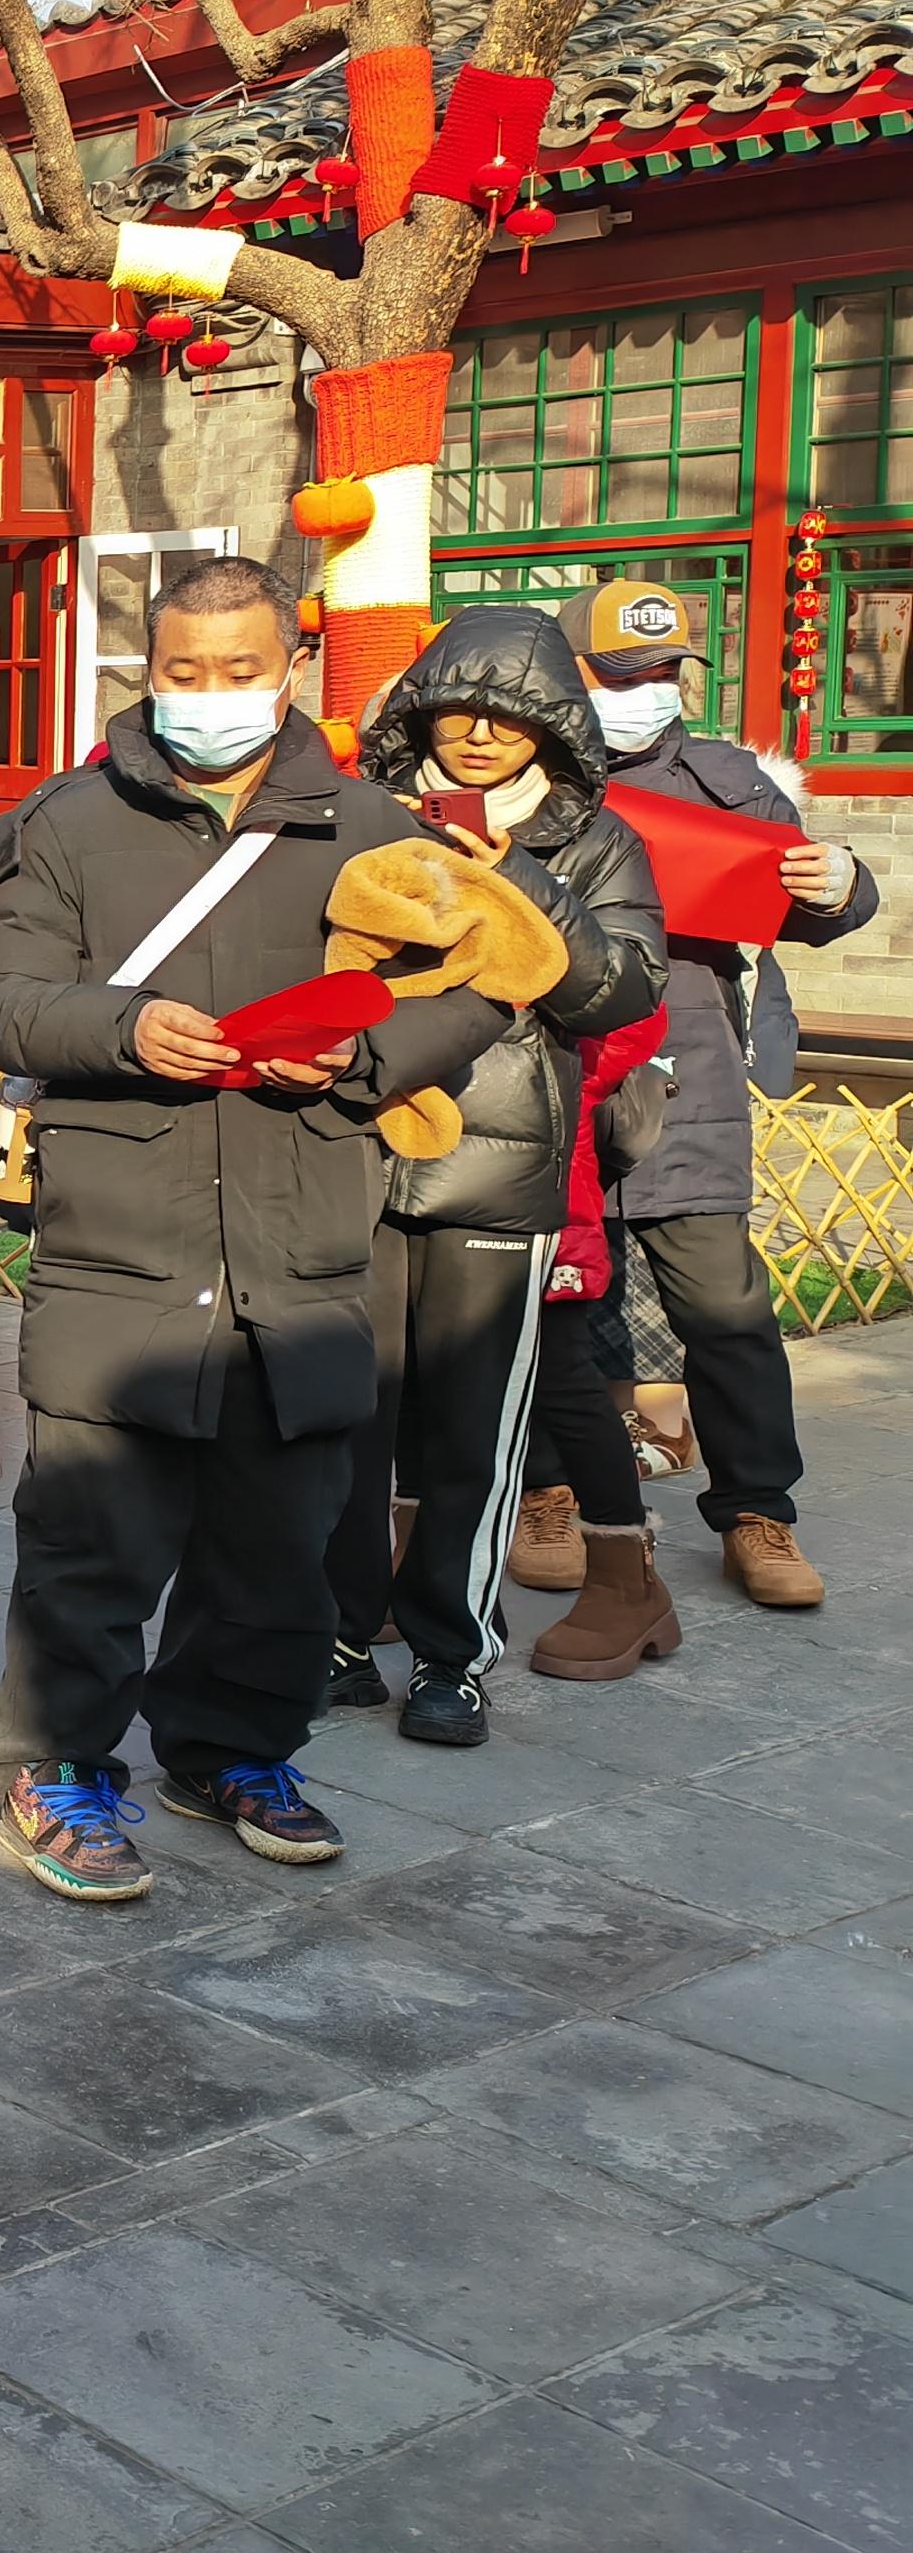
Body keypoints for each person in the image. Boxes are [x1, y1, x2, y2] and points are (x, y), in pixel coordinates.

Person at [0, 553, 511, 1901]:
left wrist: (366, 1060)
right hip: (119, 1238)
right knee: (91, 1537)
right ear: (146, 669)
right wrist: (124, 1028)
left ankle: (234, 1749)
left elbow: (478, 986)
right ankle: (55, 1764)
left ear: (290, 668)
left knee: (281, 1541)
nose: (209, 694)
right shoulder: (66, 822)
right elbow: (4, 995)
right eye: (182, 671)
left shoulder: (374, 825)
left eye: (239, 669)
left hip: (303, 1235)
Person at [324, 606, 664, 1746]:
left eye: (509, 717)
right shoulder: (363, 814)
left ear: (553, 727)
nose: (478, 733)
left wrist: (514, 873)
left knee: (474, 1431)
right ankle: (336, 1633)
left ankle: (453, 1655)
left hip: (503, 1164)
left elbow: (623, 991)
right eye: (458, 709)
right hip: (358, 1140)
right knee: (344, 1415)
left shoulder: (596, 841)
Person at [562, 579, 881, 1609]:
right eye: (621, 674)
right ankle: (547, 1494)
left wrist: (843, 885)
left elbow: (811, 904)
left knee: (726, 1312)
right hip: (551, 1070)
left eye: (664, 671)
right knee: (544, 1303)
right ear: (570, 673)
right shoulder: (526, 776)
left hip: (686, 1071)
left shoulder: (730, 782)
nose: (647, 690)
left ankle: (757, 1513)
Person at [520, 1012, 687, 1678]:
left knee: (564, 1379)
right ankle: (404, 1565)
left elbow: (633, 1013)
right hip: (422, 1167)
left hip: (544, 1177)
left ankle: (627, 1587)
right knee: (419, 1372)